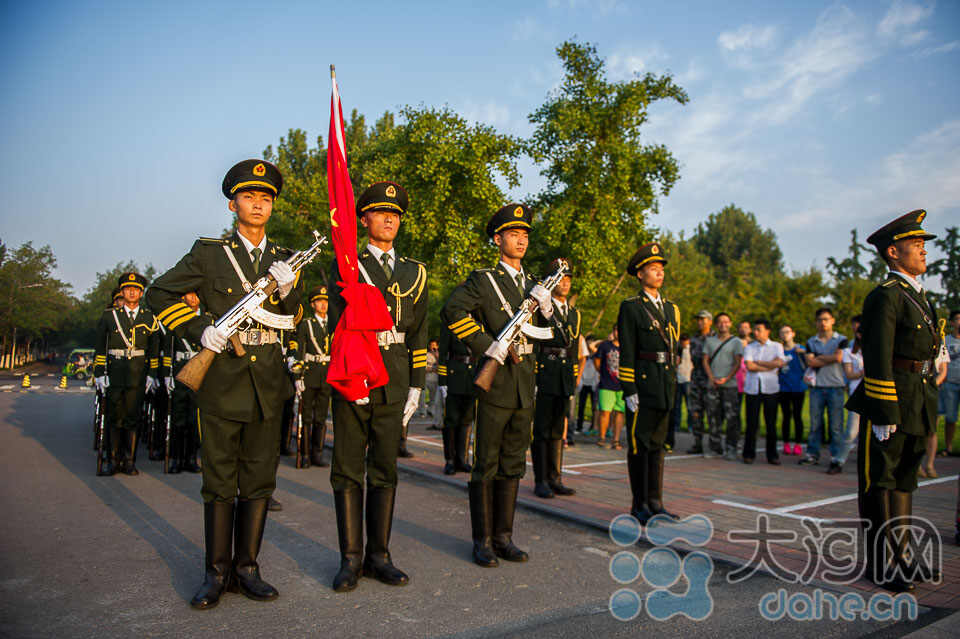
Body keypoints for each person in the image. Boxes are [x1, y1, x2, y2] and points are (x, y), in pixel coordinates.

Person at [146, 159, 302, 609]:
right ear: (233, 204)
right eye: (249, 197)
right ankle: (216, 573)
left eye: (265, 198)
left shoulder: (285, 259)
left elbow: (296, 318)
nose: (258, 204)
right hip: (222, 380)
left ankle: (248, 568)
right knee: (219, 481)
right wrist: (198, 329)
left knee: (259, 480)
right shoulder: (210, 253)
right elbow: (159, 292)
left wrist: (289, 289)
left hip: (267, 383)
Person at [441, 203, 560, 567]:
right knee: (486, 464)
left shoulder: (534, 285)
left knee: (513, 463)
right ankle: (482, 541)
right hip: (497, 383)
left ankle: (504, 537)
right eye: (513, 234)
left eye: (525, 235)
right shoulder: (484, 280)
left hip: (524, 383)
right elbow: (451, 311)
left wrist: (548, 309)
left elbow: (559, 338)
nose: (521, 241)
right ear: (498, 239)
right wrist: (485, 345)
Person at [327, 181, 428, 592]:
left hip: (395, 377)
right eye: (381, 213)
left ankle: (379, 556)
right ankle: (350, 559)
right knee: (348, 468)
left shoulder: (415, 271)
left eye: (395, 214)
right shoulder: (346, 264)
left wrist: (417, 384)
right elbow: (336, 326)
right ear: (364, 219)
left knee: (385, 468)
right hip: (356, 373)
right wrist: (349, 376)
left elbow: (419, 332)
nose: (389, 219)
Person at [847, 209, 941, 592]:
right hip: (891, 400)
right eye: (915, 244)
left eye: (922, 244)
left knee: (904, 479)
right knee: (880, 482)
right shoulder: (885, 296)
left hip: (917, 396)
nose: (923, 249)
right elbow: (878, 356)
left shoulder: (917, 295)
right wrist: (884, 409)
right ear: (893, 252)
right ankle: (881, 564)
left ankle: (902, 556)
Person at [618, 242, 680, 525]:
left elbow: (673, 351)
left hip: (663, 384)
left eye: (661, 269)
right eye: (653, 269)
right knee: (639, 445)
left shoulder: (671, 309)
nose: (659, 273)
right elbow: (627, 349)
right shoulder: (631, 307)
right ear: (640, 274)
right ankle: (639, 504)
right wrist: (629, 388)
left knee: (658, 445)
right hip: (642, 384)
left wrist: (672, 383)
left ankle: (656, 502)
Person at [93, 272, 160, 477]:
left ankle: (129, 461)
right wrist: (99, 373)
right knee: (114, 417)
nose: (131, 292)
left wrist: (152, 374)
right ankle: (112, 460)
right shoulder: (109, 316)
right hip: (115, 372)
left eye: (136, 290)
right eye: (128, 289)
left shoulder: (149, 318)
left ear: (141, 293)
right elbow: (100, 347)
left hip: (137, 374)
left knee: (132, 418)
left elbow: (154, 349)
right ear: (122, 292)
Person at [532, 258, 580, 499]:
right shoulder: (540, 307)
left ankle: (555, 478)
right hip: (546, 370)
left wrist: (573, 377)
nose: (566, 283)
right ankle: (541, 480)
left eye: (568, 279)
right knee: (542, 429)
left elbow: (574, 349)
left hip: (563, 375)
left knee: (557, 429)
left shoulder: (574, 314)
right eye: (561, 279)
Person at [288, 284, 333, 468]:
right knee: (306, 416)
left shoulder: (332, 324)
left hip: (326, 375)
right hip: (310, 374)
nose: (323, 305)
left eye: (325, 301)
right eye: (319, 301)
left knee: (321, 417)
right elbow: (300, 351)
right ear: (313, 304)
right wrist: (298, 377)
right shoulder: (307, 324)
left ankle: (317, 454)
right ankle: (305, 454)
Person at [158, 292, 203, 474]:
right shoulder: (175, 318)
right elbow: (168, 348)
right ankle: (176, 458)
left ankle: (191, 458)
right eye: (189, 294)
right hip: (179, 369)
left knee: (194, 419)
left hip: (199, 369)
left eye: (195, 295)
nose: (192, 298)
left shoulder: (207, 319)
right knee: (178, 418)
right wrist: (167, 374)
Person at [799, 308, 848, 471]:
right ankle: (812, 454)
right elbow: (810, 362)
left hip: (836, 386)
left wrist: (819, 357)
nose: (823, 323)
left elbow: (839, 357)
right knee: (815, 424)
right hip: (817, 387)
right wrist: (829, 358)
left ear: (832, 320)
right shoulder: (811, 341)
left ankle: (836, 457)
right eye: (820, 320)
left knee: (836, 425)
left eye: (826, 319)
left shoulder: (841, 339)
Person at [742, 319, 785, 465]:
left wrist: (759, 363)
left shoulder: (777, 346)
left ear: (768, 331)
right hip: (753, 389)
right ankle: (748, 453)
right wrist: (770, 366)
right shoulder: (749, 347)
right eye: (754, 329)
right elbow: (750, 366)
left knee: (771, 423)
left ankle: (772, 455)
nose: (755, 332)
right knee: (751, 423)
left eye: (759, 329)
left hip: (770, 388)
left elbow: (779, 363)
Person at [704, 312, 744, 461]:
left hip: (730, 385)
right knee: (713, 417)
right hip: (713, 384)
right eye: (720, 322)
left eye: (726, 321)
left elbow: (738, 362)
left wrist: (726, 378)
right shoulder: (710, 341)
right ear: (716, 324)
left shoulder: (736, 342)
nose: (723, 324)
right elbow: (705, 360)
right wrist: (711, 378)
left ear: (731, 324)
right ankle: (715, 448)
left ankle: (731, 447)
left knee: (732, 418)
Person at [437, 324, 476, 475]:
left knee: (467, 420)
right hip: (454, 376)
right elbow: (443, 354)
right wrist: (443, 381)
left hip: (472, 376)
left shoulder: (479, 323)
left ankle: (463, 459)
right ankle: (450, 460)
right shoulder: (450, 324)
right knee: (451, 421)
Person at [835, 316, 864, 474]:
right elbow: (849, 374)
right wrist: (864, 372)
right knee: (851, 432)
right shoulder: (849, 351)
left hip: (875, 395)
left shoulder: (877, 349)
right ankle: (838, 461)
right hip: (857, 395)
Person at [686, 311, 715, 454]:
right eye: (698, 320)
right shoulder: (693, 339)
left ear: (710, 321)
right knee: (696, 413)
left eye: (703, 320)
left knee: (712, 412)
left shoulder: (715, 338)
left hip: (711, 379)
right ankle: (697, 443)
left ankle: (714, 444)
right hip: (696, 379)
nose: (700, 322)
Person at [777, 325, 807, 456]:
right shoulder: (778, 350)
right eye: (782, 332)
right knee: (786, 416)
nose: (785, 335)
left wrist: (804, 354)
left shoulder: (800, 349)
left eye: (787, 332)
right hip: (783, 387)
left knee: (797, 415)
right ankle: (786, 443)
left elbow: (809, 364)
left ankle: (798, 443)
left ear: (793, 333)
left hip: (798, 387)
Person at [593, 327, 624, 449]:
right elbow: (597, 360)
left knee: (620, 412)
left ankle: (616, 440)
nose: (618, 333)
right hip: (606, 384)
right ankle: (602, 437)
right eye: (616, 330)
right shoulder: (605, 345)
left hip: (622, 385)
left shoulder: (628, 346)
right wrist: (602, 373)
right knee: (605, 411)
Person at [939, 310, 960, 456]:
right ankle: (948, 448)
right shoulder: (945, 341)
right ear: (952, 322)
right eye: (958, 319)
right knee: (950, 418)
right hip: (950, 384)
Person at [668, 333, 692, 451]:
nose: (684, 343)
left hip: (688, 379)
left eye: (685, 340)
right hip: (678, 379)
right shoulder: (677, 349)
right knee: (676, 405)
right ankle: (677, 425)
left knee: (689, 405)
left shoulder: (691, 350)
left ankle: (690, 426)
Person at [576, 337, 600, 434]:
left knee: (594, 407)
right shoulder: (583, 355)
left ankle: (593, 427)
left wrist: (596, 342)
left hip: (593, 384)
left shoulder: (596, 354)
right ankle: (579, 426)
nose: (589, 345)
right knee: (581, 407)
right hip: (584, 384)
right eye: (588, 342)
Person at [422, 339, 441, 429]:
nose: (433, 347)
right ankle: (422, 411)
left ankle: (431, 410)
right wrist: (432, 369)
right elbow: (424, 367)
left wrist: (437, 355)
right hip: (427, 378)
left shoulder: (439, 355)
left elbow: (441, 365)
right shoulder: (426, 355)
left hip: (435, 379)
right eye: (431, 345)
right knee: (422, 395)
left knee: (433, 397)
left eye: (434, 345)